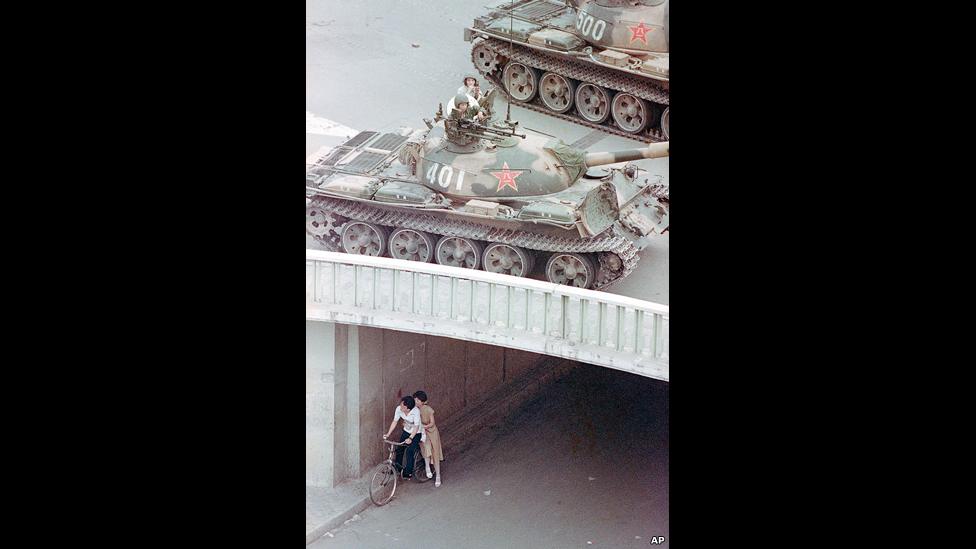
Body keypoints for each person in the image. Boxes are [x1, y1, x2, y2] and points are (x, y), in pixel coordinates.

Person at [383, 395, 424, 479]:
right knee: (400, 449)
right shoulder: (399, 409)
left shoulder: (416, 412)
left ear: (408, 409)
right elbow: (395, 421)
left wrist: (411, 438)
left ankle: (408, 473)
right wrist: (388, 433)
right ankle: (397, 469)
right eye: (401, 404)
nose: (400, 406)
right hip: (406, 431)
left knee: (409, 451)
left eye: (402, 406)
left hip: (416, 433)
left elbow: (416, 427)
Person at [413, 390, 444, 487]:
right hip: (422, 433)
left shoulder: (428, 409)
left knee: (435, 453)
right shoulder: (415, 410)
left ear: (422, 401)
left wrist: (423, 427)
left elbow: (432, 423)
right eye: (415, 400)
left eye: (417, 400)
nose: (416, 402)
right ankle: (427, 467)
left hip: (432, 432)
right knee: (425, 449)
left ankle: (438, 476)